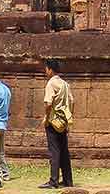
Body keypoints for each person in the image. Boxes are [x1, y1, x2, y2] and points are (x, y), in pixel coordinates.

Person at [39, 59, 74, 190]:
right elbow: (72, 101)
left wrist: (46, 117)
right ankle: (68, 180)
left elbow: (48, 103)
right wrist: (68, 116)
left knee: (54, 151)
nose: (45, 71)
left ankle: (53, 181)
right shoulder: (65, 84)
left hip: (53, 121)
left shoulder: (51, 83)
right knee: (64, 151)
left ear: (50, 69)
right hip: (63, 121)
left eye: (46, 68)